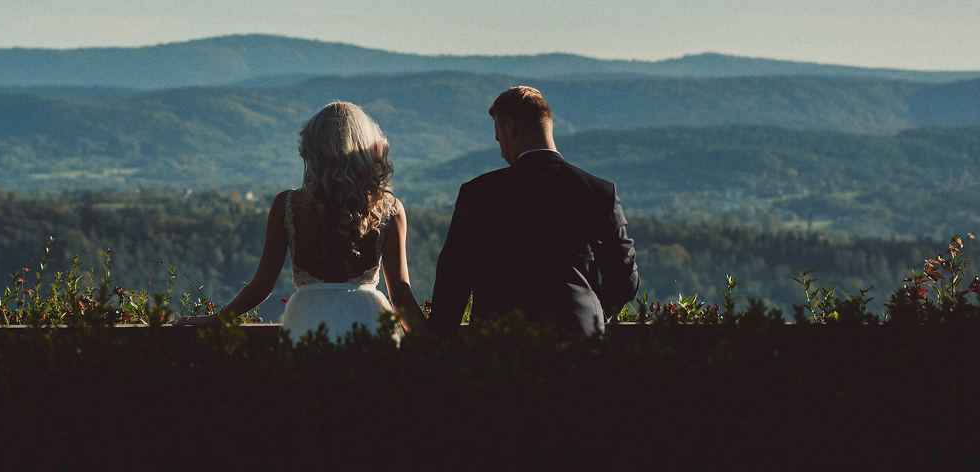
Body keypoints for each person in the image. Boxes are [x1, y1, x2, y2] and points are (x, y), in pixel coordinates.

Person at [177, 101, 427, 340]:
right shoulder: (389, 208)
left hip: (309, 320)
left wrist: (217, 318)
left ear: (313, 149)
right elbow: (401, 296)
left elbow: (262, 286)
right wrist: (437, 348)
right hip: (370, 322)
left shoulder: (287, 206)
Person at [426, 85, 639, 335]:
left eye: (499, 138)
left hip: (498, 345)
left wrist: (437, 348)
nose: (502, 151)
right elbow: (626, 281)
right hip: (576, 344)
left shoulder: (478, 194)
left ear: (510, 127)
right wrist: (592, 314)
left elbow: (453, 283)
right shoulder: (599, 192)